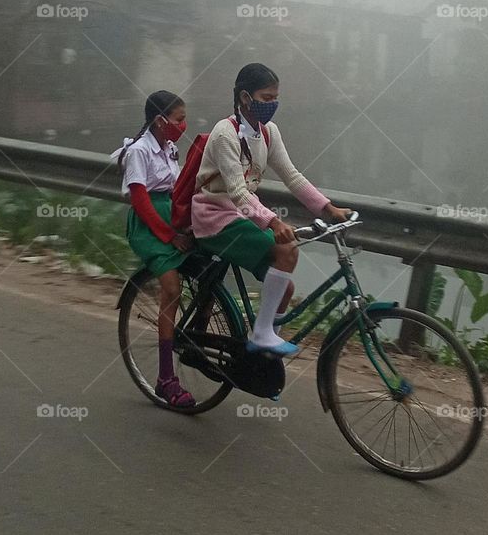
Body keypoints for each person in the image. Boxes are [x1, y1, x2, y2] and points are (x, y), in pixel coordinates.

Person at [191, 63, 353, 355]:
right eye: (266, 98)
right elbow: (238, 192)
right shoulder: (225, 133)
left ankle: (265, 353)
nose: (273, 104)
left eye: (275, 98)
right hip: (214, 217)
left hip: (239, 215)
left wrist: (328, 208)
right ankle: (261, 335)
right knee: (286, 249)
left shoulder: (268, 132)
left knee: (284, 290)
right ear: (245, 98)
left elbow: (291, 176)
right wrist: (274, 222)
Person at [113, 91, 196, 408]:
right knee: (171, 289)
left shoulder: (170, 147)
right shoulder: (139, 151)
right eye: (178, 119)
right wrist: (169, 235)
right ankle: (165, 379)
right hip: (150, 226)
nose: (183, 125)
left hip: (172, 216)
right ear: (161, 121)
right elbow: (140, 200)